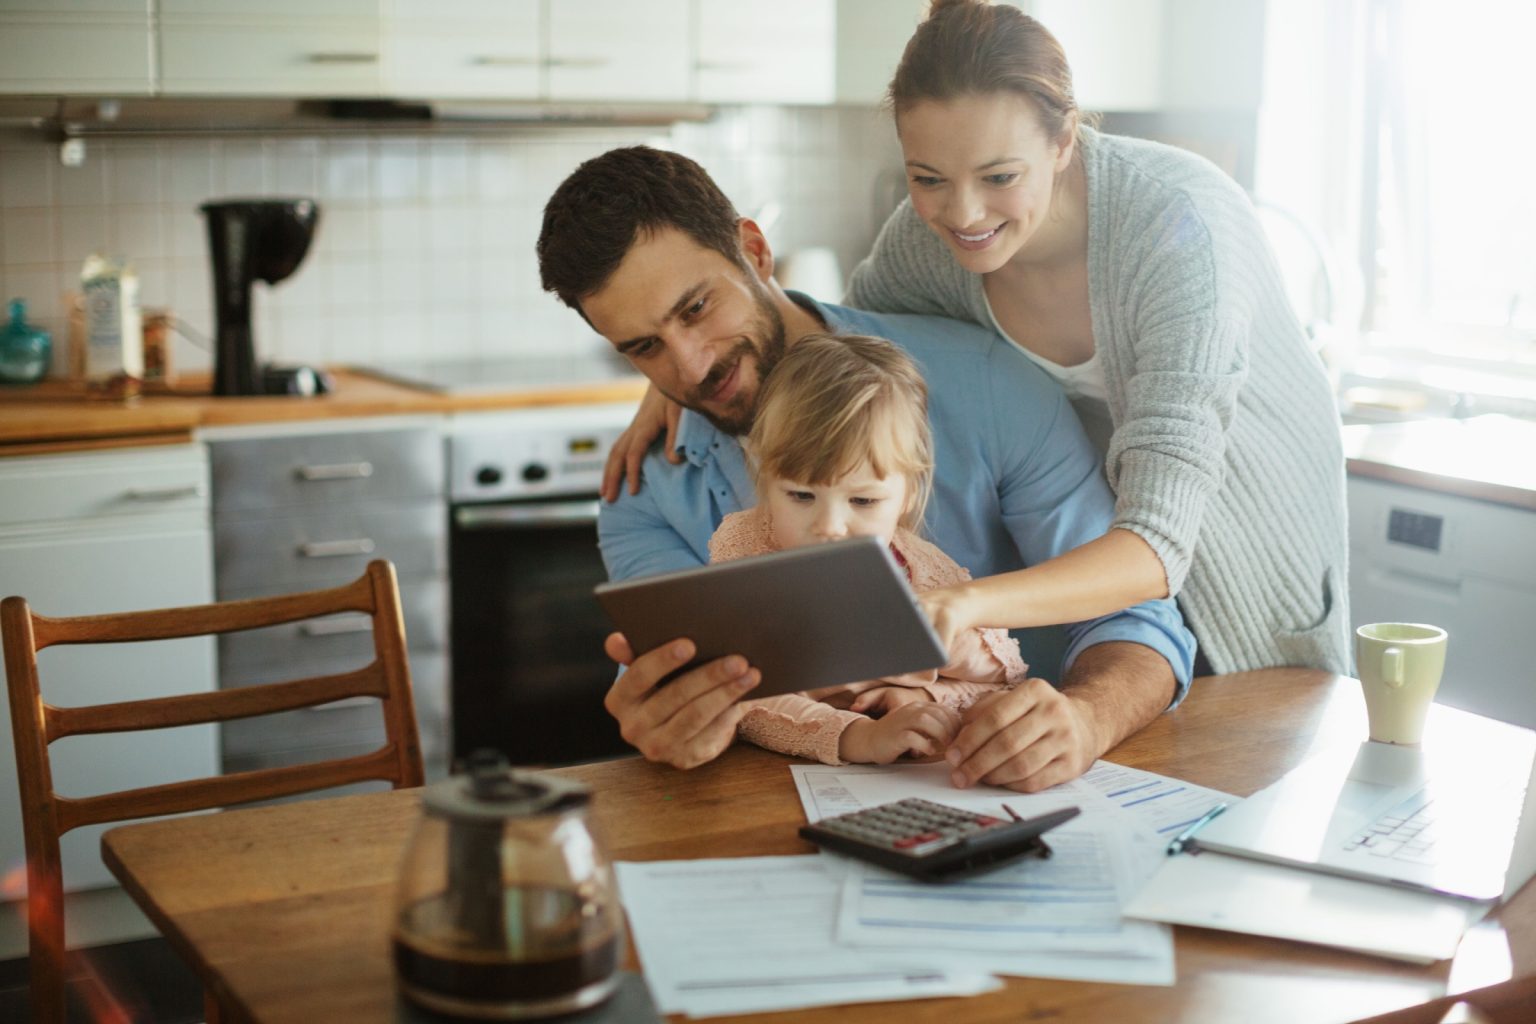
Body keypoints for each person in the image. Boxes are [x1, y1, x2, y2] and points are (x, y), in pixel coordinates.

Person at [602, 0, 1351, 678]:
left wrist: (963, 603)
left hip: (1243, 582)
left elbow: (1158, 544)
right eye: (928, 178)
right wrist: (683, 379)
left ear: (1064, 139)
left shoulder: (1178, 228)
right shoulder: (926, 243)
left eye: (999, 176)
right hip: (1100, 570)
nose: (963, 214)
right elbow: (838, 365)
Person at [536, 144, 1195, 793]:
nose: (691, 366)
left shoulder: (986, 386)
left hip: (1015, 796)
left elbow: (1133, 618)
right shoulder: (644, 491)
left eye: (696, 308)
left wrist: (1087, 718)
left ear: (755, 252)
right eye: (644, 347)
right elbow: (678, 683)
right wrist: (672, 721)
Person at [714, 332, 1028, 766]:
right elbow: (738, 700)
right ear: (766, 480)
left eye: (862, 501)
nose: (829, 527)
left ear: (907, 496)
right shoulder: (746, 557)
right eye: (801, 495)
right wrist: (858, 736)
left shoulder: (929, 584)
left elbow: (1004, 683)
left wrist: (926, 696)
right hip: (778, 779)